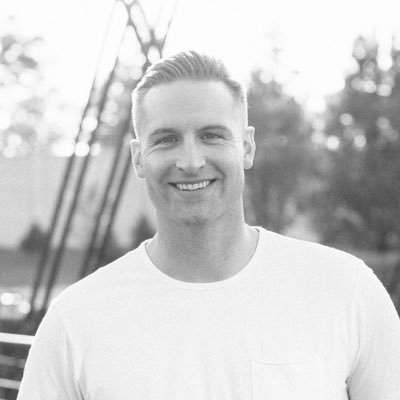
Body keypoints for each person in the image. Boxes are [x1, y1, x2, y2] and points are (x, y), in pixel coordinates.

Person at [17, 50, 400, 400]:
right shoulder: (76, 321)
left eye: (211, 136)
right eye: (166, 139)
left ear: (246, 147)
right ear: (138, 158)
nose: (190, 161)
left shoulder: (345, 291)